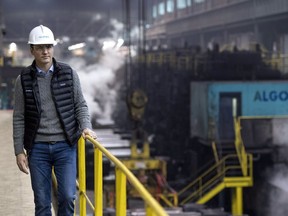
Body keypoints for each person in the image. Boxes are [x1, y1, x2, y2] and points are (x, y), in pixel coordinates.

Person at [13, 24, 96, 216]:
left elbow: (80, 105)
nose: (45, 51)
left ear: (53, 48)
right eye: (40, 47)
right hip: (37, 149)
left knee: (67, 197)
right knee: (42, 203)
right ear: (31, 49)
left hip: (65, 147)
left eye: (49, 46)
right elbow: (19, 117)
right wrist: (19, 150)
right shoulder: (23, 80)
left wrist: (86, 127)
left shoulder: (69, 74)